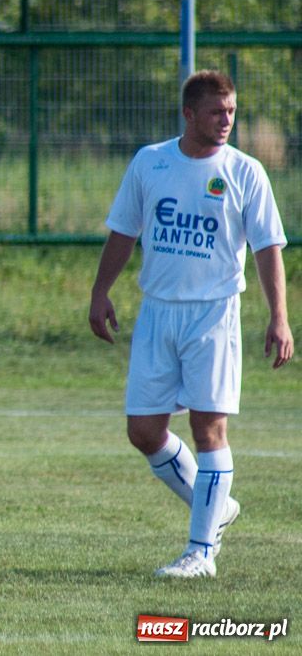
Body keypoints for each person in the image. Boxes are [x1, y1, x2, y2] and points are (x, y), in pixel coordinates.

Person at [88, 70, 293, 578]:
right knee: (143, 430)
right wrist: (100, 292)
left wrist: (279, 318)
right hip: (158, 311)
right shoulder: (151, 162)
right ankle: (217, 505)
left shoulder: (245, 173)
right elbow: (123, 231)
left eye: (231, 112)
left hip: (213, 314)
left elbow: (269, 249)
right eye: (216, 112)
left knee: (209, 427)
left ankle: (201, 553)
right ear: (188, 114)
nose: (227, 121)